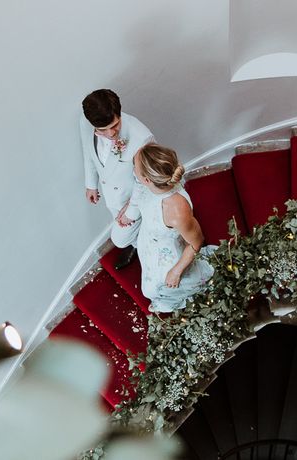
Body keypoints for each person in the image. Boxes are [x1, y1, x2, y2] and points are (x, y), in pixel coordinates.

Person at [124, 143, 214, 312]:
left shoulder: (176, 210)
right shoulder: (148, 184)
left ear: (147, 180)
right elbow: (139, 195)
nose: (133, 170)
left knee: (153, 289)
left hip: (169, 253)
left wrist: (176, 271)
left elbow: (196, 242)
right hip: (151, 239)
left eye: (134, 166)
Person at [80, 89, 154, 269]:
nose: (111, 134)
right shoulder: (84, 122)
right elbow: (88, 152)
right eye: (103, 130)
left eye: (115, 125)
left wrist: (131, 211)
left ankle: (148, 252)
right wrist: (91, 184)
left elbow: (147, 180)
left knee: (121, 240)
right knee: (131, 237)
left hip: (136, 200)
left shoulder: (141, 137)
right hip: (113, 199)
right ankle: (136, 246)